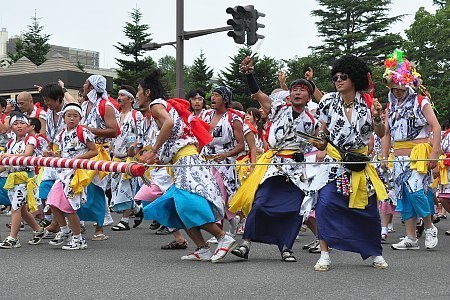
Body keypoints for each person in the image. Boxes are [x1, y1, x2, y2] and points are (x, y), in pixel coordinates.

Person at [139, 69, 237, 262]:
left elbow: (167, 125)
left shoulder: (156, 105)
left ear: (148, 92)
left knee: (188, 204)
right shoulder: (165, 106)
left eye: (139, 90)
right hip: (184, 161)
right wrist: (157, 157)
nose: (137, 94)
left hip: (187, 162)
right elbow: (176, 137)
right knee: (176, 207)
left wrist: (153, 151)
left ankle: (222, 238)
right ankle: (202, 248)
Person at [229, 56, 319, 262]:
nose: (297, 92)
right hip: (274, 166)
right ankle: (246, 244)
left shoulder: (312, 121)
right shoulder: (278, 108)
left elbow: (319, 144)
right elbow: (258, 94)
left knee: (294, 211)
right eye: (294, 89)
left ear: (308, 98)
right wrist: (250, 74)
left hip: (296, 171)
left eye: (302, 90)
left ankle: (286, 247)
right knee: (259, 203)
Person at [310, 55, 388, 271]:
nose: (338, 80)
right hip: (334, 164)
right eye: (335, 76)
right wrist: (318, 139)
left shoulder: (369, 102)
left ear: (354, 78)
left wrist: (378, 118)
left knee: (368, 211)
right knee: (324, 204)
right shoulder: (326, 101)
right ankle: (325, 253)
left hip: (360, 164)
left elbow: (381, 133)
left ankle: (374, 252)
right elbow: (321, 138)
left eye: (343, 76)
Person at [381, 51, 441, 250]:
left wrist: (434, 152)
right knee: (403, 195)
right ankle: (411, 237)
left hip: (418, 154)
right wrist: (383, 157)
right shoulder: (391, 105)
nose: (397, 91)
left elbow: (436, 126)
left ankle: (430, 226)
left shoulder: (420, 101)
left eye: (400, 87)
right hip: (398, 157)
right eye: (394, 88)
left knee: (416, 190)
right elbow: (387, 134)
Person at [44, 103, 98, 249]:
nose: (72, 119)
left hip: (76, 175)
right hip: (63, 174)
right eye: (69, 116)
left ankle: (78, 239)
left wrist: (78, 159)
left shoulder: (84, 132)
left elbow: (94, 151)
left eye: (75, 116)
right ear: (63, 117)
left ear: (80, 118)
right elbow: (63, 154)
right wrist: (53, 155)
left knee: (68, 207)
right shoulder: (62, 134)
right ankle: (64, 231)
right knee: (53, 202)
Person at [80, 74, 120, 240]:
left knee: (96, 189)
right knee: (81, 187)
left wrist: (90, 130)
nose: (83, 86)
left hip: (99, 152)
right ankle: (79, 222)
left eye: (86, 83)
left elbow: (114, 130)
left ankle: (99, 228)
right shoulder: (84, 105)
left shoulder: (106, 106)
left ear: (92, 87)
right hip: (85, 150)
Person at [0, 112, 46, 248]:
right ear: (11, 127)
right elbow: (6, 165)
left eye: (22, 123)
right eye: (15, 123)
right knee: (22, 209)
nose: (19, 126)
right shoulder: (11, 142)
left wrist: (8, 155)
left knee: (15, 207)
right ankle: (38, 230)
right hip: (13, 178)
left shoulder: (30, 139)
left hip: (26, 178)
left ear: (28, 126)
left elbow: (27, 155)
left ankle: (13, 238)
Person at [110, 85, 143, 231]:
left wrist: (135, 147)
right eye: (118, 95)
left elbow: (142, 135)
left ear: (130, 99)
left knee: (127, 187)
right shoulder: (116, 116)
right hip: (116, 157)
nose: (119, 98)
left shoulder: (137, 115)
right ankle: (136, 209)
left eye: (122, 95)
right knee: (116, 188)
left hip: (130, 158)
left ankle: (124, 220)